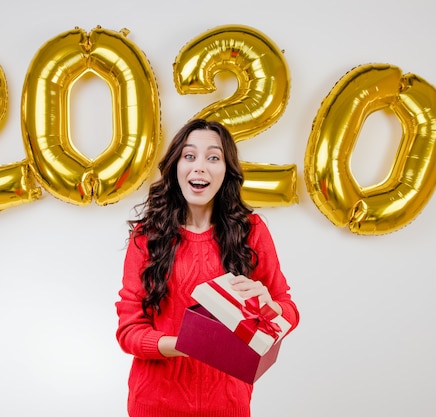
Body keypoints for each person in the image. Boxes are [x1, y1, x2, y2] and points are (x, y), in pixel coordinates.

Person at [115, 118, 299, 417]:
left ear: (226, 171)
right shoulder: (146, 237)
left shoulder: (251, 230)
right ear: (176, 166)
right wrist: (188, 345)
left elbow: (288, 310)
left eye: (213, 157)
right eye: (189, 156)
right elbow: (129, 332)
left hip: (227, 406)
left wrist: (270, 308)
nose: (199, 166)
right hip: (155, 405)